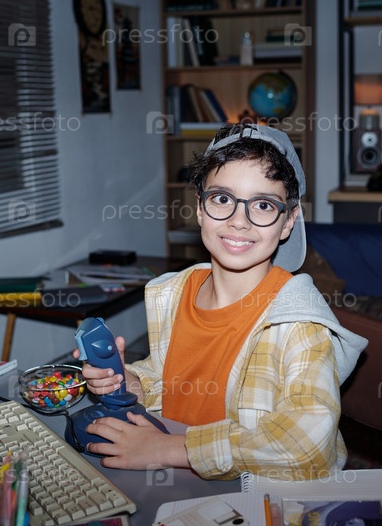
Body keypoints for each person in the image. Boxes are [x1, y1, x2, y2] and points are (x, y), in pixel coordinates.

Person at [78, 123, 367, 481]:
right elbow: (170, 380)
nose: (238, 221)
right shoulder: (175, 293)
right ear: (200, 207)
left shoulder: (300, 325)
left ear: (288, 221)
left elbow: (308, 447)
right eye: (222, 199)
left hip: (252, 489)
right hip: (174, 478)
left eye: (263, 205)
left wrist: (170, 449)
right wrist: (130, 381)